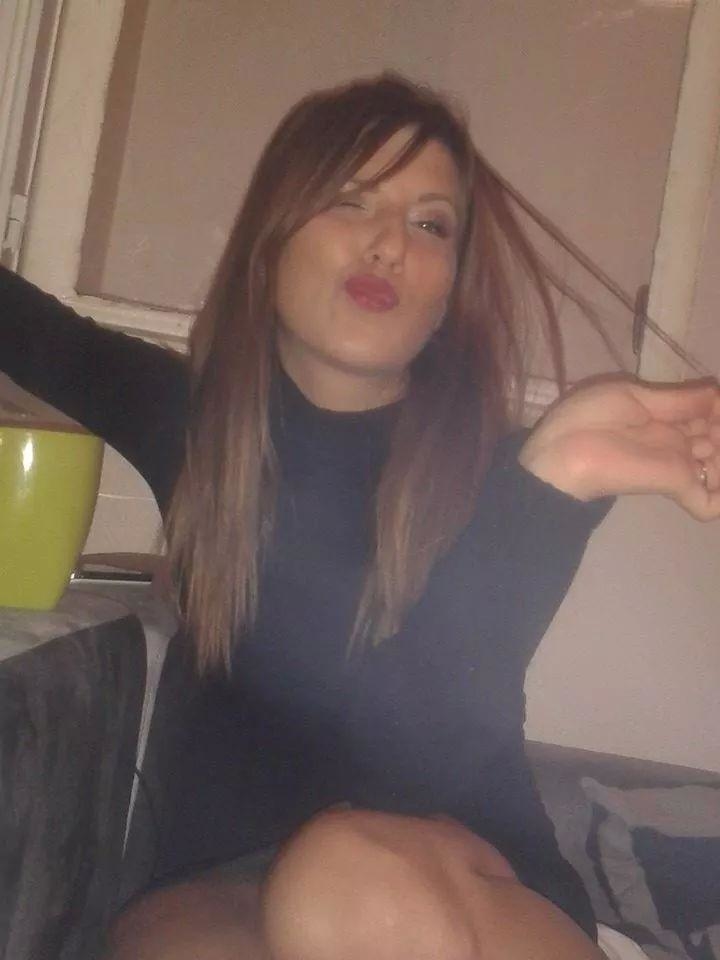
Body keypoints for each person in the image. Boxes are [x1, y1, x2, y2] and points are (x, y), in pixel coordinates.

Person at [1, 74, 718, 960]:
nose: (388, 244)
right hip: (222, 888)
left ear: (448, 289)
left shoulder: (511, 474)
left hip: (469, 884)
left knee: (348, 890)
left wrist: (556, 480)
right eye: (351, 200)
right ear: (271, 240)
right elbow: (26, 329)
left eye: (430, 225)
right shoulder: (197, 425)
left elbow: (429, 746)